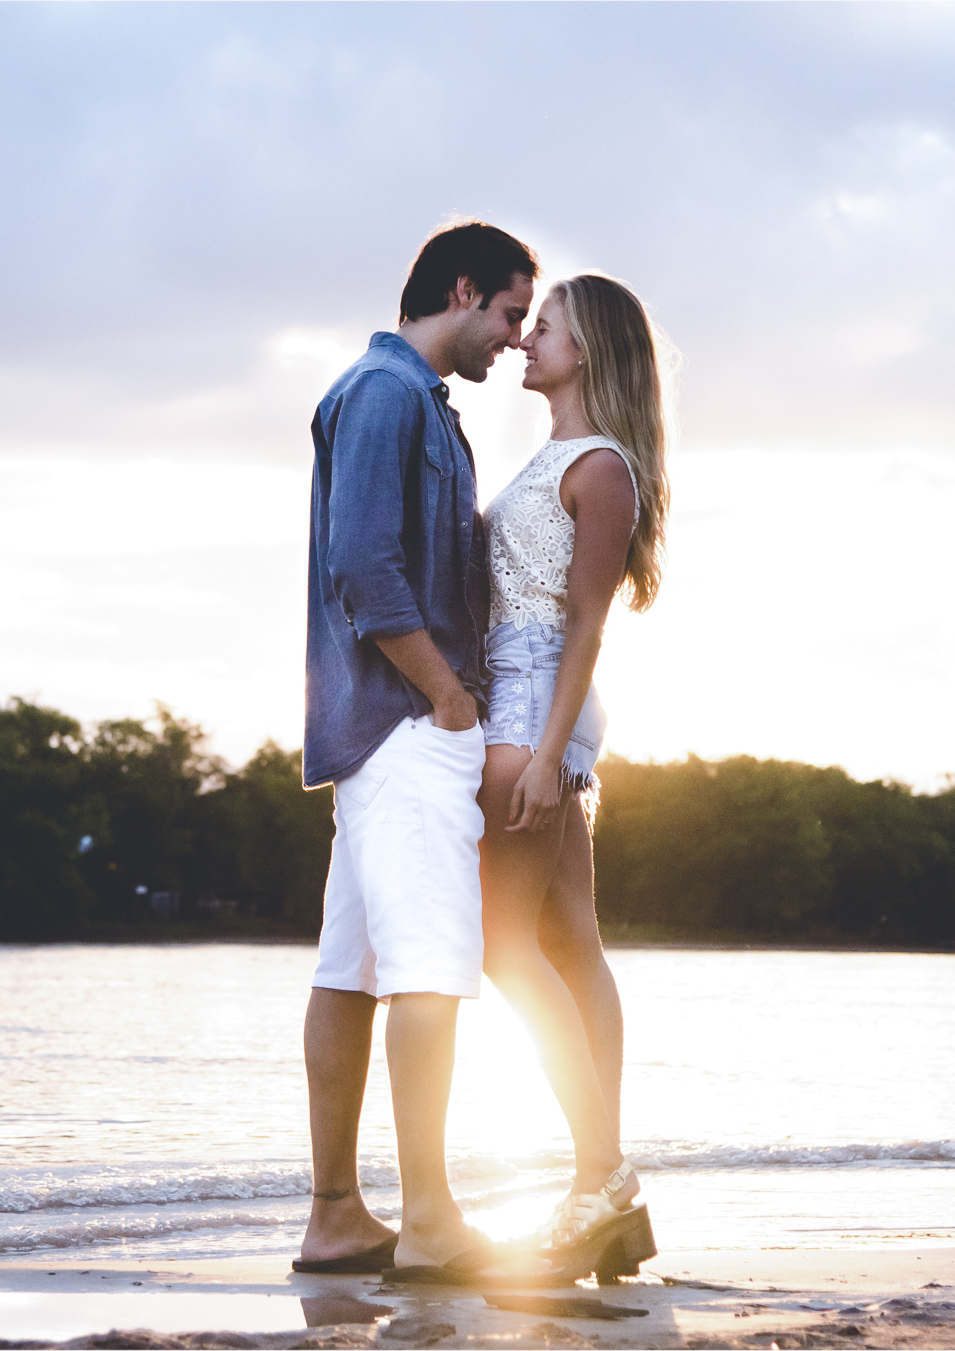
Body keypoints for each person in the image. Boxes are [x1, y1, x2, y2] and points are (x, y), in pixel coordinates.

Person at [295, 221, 539, 1283]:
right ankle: (431, 1219)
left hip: (375, 731)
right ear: (460, 288)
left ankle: (338, 1217)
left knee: (347, 970)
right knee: (430, 967)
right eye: (507, 315)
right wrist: (445, 696)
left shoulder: (410, 403)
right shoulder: (388, 395)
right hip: (404, 726)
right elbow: (361, 562)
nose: (512, 342)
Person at [477, 274, 671, 1280]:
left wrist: (546, 755)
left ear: (584, 348)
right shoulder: (557, 456)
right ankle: (608, 1186)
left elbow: (586, 622)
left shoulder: (598, 468)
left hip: (530, 708)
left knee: (504, 947)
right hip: (531, 704)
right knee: (572, 942)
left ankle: (598, 1174)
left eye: (540, 327)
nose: (523, 340)